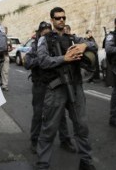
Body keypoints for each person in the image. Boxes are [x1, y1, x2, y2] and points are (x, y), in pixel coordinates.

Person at [36, 7, 96, 170]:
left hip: (75, 86)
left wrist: (84, 46)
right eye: (57, 18)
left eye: (63, 17)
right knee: (49, 128)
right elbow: (42, 61)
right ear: (52, 20)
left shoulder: (73, 38)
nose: (61, 20)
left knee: (81, 126)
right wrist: (65, 58)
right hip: (56, 88)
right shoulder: (45, 40)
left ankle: (86, 161)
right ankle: (42, 164)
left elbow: (93, 44)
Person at [24, 21, 76, 155]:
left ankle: (65, 140)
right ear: (40, 32)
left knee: (60, 114)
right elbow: (27, 62)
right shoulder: (36, 45)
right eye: (44, 30)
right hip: (40, 85)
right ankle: (34, 141)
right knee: (38, 114)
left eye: (48, 29)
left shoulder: (54, 42)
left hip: (55, 84)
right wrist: (42, 60)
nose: (46, 31)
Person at [1, 27, 11, 91]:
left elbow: (10, 47)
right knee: (5, 71)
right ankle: (4, 85)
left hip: (2, 56)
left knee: (4, 71)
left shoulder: (6, 39)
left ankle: (4, 84)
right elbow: (10, 47)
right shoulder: (6, 39)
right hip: (4, 56)